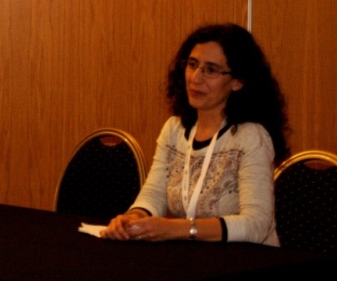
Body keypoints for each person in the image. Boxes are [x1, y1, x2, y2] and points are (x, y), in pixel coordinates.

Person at [102, 23, 289, 245]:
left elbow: (256, 224)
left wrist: (178, 228)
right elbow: (154, 194)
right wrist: (133, 218)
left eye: (211, 70)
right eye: (192, 65)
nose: (195, 78)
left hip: (248, 261)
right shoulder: (174, 129)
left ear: (237, 82)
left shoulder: (250, 137)